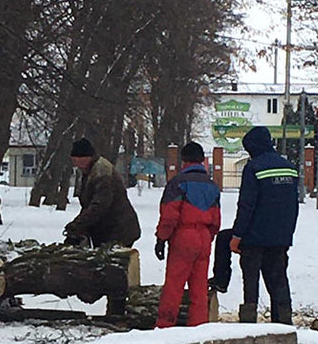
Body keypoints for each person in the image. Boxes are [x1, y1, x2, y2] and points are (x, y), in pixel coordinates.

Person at [230, 126, 300, 324]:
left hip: (254, 238)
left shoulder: (254, 168)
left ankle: (249, 327)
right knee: (279, 283)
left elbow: (246, 205)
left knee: (251, 286)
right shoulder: (289, 167)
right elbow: (292, 206)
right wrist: (287, 234)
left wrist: (237, 235)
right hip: (280, 238)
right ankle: (284, 326)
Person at [64, 137, 141, 315]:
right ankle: (115, 310)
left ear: (86, 157)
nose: (74, 162)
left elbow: (99, 205)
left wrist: (78, 225)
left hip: (119, 229)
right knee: (109, 270)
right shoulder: (90, 171)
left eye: (76, 158)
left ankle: (117, 313)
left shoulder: (102, 172)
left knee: (115, 272)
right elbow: (89, 206)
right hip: (108, 230)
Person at [154, 142, 221, 328]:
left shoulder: (177, 183)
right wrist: (208, 236)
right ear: (202, 160)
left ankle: (164, 328)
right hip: (204, 238)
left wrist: (161, 238)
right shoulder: (212, 185)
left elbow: (170, 215)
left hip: (184, 237)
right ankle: (198, 331)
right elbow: (216, 219)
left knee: (174, 287)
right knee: (199, 289)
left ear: (183, 160)